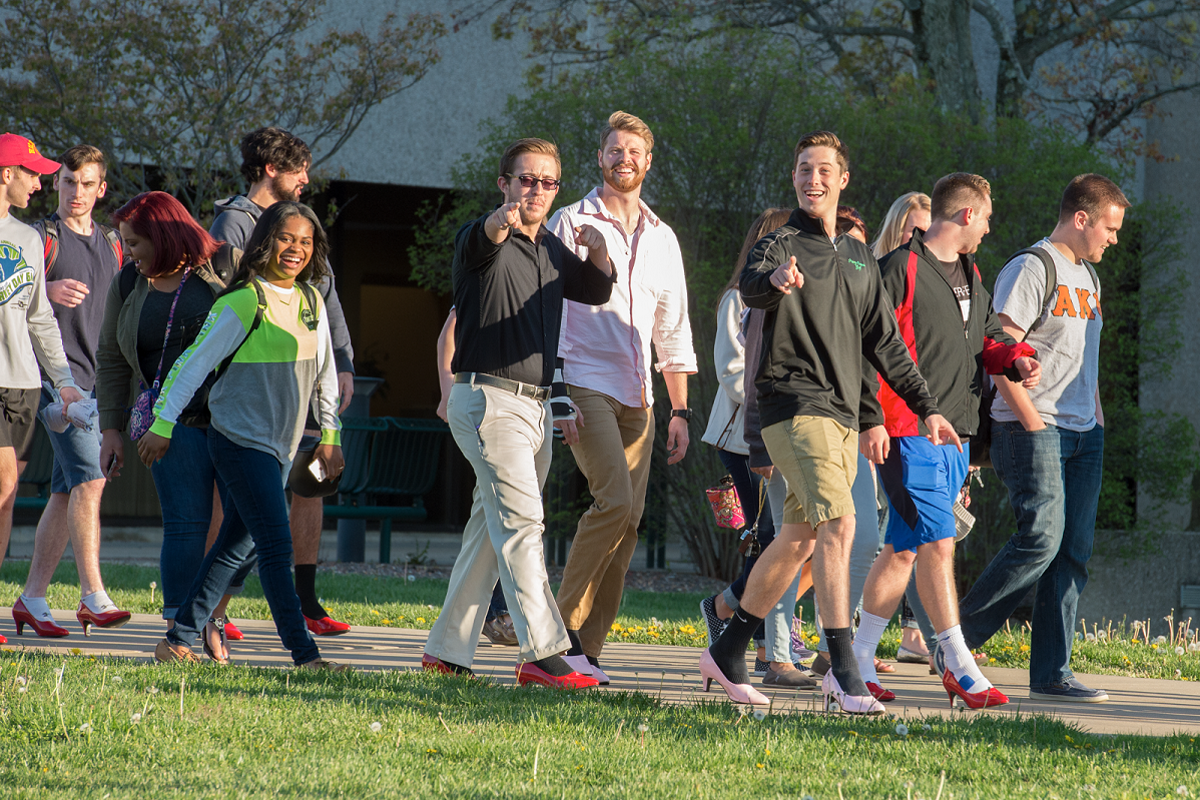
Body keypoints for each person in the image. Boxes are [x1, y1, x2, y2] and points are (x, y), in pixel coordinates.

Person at [701, 130, 959, 713]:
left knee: (797, 539)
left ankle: (728, 649)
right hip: (792, 404)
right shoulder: (778, 243)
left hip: (842, 414)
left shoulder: (858, 255)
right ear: (793, 178)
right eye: (802, 169)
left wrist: (927, 406)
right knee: (840, 526)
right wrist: (774, 282)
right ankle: (844, 673)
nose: (811, 179)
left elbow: (886, 345)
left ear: (843, 181)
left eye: (823, 170)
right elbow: (750, 287)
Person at [422, 137, 613, 689]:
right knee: (525, 524)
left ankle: (447, 650)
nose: (536, 190)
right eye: (526, 179)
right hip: (488, 401)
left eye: (548, 182)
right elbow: (484, 240)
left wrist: (598, 250)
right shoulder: (480, 240)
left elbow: (596, 290)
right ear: (504, 183)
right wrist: (498, 223)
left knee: (491, 528)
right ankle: (543, 652)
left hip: (534, 410)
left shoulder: (551, 247)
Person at [852, 173, 1041, 709]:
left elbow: (987, 336)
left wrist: (1015, 358)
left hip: (955, 434)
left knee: (905, 548)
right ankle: (958, 664)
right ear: (964, 215)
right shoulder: (896, 270)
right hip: (906, 430)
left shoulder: (969, 272)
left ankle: (856, 662)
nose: (987, 228)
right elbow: (867, 349)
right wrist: (871, 420)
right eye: (985, 218)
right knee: (938, 542)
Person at [142, 201, 346, 670]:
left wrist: (331, 434)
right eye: (285, 238)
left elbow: (326, 376)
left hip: (280, 447)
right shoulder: (243, 301)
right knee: (275, 547)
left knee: (235, 544)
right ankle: (305, 655)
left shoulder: (313, 301)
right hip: (237, 440)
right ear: (265, 242)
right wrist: (162, 425)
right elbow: (189, 367)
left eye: (305, 241)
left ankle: (177, 640)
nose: (295, 248)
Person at [957, 173, 1128, 703]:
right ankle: (955, 643)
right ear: (1082, 219)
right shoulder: (1033, 267)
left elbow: (1082, 354)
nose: (1113, 239)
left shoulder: (1089, 278)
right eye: (1109, 227)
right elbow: (997, 345)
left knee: (1071, 551)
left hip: (1083, 432)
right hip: (1034, 426)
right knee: (1040, 538)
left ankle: (1052, 673)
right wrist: (1029, 417)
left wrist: (1095, 415)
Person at [548, 112, 697, 682]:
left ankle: (588, 649)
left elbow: (673, 328)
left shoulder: (663, 236)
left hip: (642, 396)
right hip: (586, 380)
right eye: (615, 150)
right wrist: (558, 391)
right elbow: (553, 311)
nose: (624, 159)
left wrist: (679, 408)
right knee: (613, 502)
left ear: (648, 160)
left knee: (630, 520)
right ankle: (550, 635)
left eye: (634, 151)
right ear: (601, 157)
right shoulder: (571, 221)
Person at [210, 126, 355, 637]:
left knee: (309, 484)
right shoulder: (233, 222)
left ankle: (305, 599)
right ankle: (216, 609)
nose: (306, 180)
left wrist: (343, 364)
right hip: (257, 382)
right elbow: (226, 304)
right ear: (271, 169)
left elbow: (326, 297)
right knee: (239, 503)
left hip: (310, 374)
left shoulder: (302, 225)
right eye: (299, 170)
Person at [97, 191, 254, 660]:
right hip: (168, 422)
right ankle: (177, 631)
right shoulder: (128, 282)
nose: (130, 254)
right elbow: (110, 359)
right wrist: (112, 429)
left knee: (247, 528)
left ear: (164, 235)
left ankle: (211, 616)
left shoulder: (227, 265)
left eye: (137, 243)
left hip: (233, 418)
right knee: (186, 525)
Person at [14, 145, 131, 638]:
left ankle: (32, 599)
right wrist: (48, 289)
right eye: (67, 182)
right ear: (57, 184)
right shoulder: (40, 238)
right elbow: (14, 302)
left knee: (65, 491)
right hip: (53, 382)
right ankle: (93, 596)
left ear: (101, 189)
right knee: (90, 479)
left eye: (86, 184)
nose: (76, 192)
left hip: (100, 382)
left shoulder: (112, 241)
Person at [700, 208, 817, 689]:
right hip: (745, 439)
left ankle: (728, 607)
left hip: (786, 431)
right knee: (772, 540)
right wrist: (773, 407)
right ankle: (772, 649)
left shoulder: (796, 295)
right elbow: (732, 370)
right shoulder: (737, 298)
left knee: (792, 540)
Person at [0, 133, 85, 645]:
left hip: (24, 384)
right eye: (31, 172)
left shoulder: (29, 239)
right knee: (2, 485)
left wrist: (66, 383)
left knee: (7, 499)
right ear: (5, 173)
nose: (40, 181)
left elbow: (40, 319)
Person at [435, 306, 517, 647]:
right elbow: (448, 334)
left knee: (494, 511)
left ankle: (487, 615)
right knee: (503, 508)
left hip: (521, 410)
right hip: (486, 407)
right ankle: (496, 614)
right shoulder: (491, 277)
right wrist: (447, 391)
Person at [871, 192, 932, 259]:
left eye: (929, 232)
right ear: (894, 231)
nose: (924, 238)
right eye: (916, 231)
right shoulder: (872, 267)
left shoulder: (939, 267)